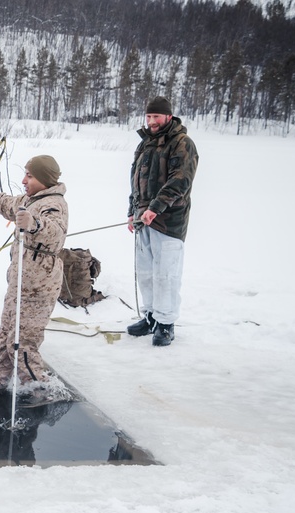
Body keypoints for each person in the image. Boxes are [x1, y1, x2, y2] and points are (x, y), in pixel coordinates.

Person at [0, 156, 69, 394]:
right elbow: (8, 204)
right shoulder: (31, 199)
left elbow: (55, 232)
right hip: (18, 284)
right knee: (5, 335)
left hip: (38, 287)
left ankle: (39, 389)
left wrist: (34, 224)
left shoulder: (53, 204)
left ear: (45, 179)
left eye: (30, 175)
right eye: (25, 174)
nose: (24, 180)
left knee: (22, 343)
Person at [126, 96, 198, 347]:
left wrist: (156, 208)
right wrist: (132, 211)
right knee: (145, 273)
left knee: (165, 274)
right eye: (148, 117)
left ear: (168, 116)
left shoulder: (182, 143)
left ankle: (166, 323)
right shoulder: (145, 144)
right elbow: (135, 179)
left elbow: (180, 181)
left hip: (169, 221)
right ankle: (150, 317)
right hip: (143, 219)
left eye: (156, 116)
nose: (152, 121)